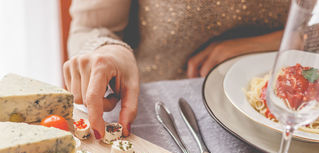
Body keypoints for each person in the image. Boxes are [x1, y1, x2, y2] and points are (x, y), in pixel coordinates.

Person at [63, 0, 290, 139]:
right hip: (157, 110)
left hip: (280, 112)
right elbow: (91, 26)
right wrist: (110, 50)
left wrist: (276, 43)